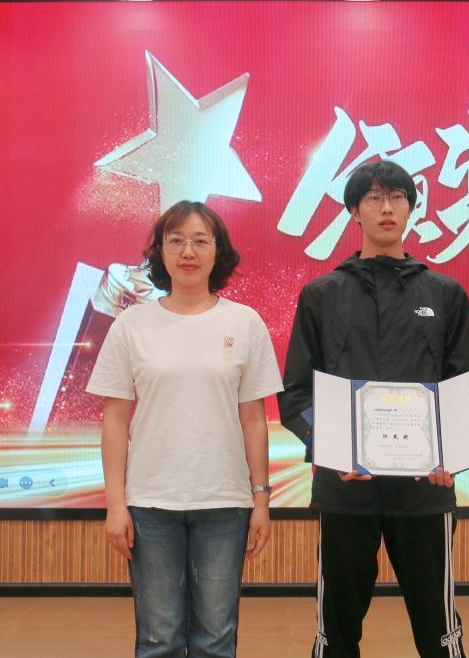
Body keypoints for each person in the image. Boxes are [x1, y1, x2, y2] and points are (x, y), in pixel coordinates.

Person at [279, 160, 469, 658]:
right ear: (355, 211)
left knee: (439, 629)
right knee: (337, 629)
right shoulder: (321, 295)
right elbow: (296, 393)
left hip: (424, 490)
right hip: (345, 489)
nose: (386, 207)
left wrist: (451, 454)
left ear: (411, 209)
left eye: (397, 197)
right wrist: (330, 447)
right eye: (373, 197)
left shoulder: (445, 294)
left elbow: (466, 386)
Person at [87, 201, 283, 658]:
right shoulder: (132, 325)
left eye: (199, 241)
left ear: (218, 251)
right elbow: (115, 420)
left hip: (225, 503)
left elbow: (254, 419)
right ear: (160, 252)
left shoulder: (244, 322)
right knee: (159, 639)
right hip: (151, 503)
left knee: (216, 638)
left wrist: (260, 501)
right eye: (175, 241)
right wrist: (115, 504)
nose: (188, 252)